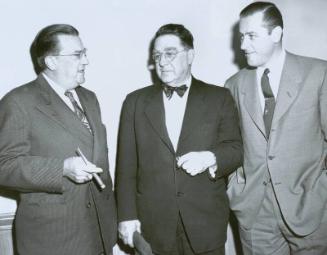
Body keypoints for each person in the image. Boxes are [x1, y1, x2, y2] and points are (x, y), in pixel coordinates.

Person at [116, 23, 243, 255]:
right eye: (157, 55)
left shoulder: (219, 98)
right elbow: (125, 168)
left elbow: (235, 149)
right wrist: (126, 216)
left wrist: (210, 157)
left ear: (190, 55)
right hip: (152, 227)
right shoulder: (134, 102)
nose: (161, 62)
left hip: (206, 226)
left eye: (170, 53)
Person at [0, 24, 117, 255]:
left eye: (84, 53)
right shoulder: (18, 102)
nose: (86, 61)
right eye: (77, 55)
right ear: (51, 62)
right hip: (53, 239)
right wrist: (61, 169)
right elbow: (4, 165)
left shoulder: (90, 98)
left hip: (99, 232)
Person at [225, 2, 327, 254]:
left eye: (251, 36)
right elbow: (231, 142)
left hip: (311, 209)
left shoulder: (319, 73)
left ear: (276, 34)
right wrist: (235, 187)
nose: (243, 45)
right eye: (241, 36)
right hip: (255, 214)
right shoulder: (233, 85)